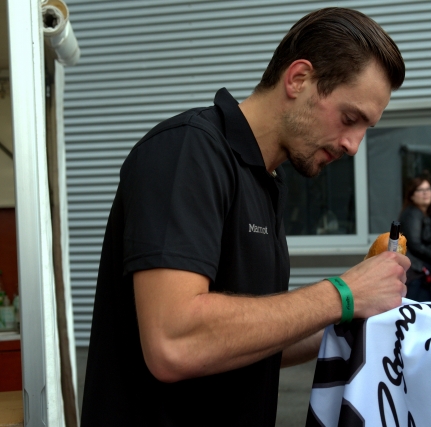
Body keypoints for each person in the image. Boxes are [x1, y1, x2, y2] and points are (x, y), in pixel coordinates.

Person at [80, 8, 408, 426]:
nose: (353, 145)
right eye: (349, 119)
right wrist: (342, 293)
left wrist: (355, 308)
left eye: (366, 129)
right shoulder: (188, 151)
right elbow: (174, 342)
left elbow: (253, 338)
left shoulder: (266, 181)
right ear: (298, 79)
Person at [398, 174, 431, 302]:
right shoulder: (413, 213)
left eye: (428, 189)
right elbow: (415, 244)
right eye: (420, 190)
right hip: (415, 273)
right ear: (412, 195)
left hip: (419, 271)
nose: (425, 193)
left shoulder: (424, 213)